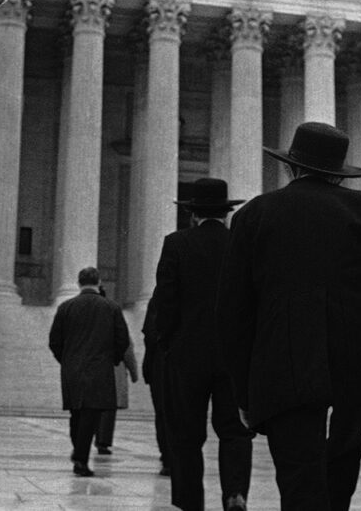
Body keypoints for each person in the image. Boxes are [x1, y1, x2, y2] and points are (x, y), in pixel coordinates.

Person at [217, 122, 361, 511]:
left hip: (283, 362)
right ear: (338, 172)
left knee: (299, 478)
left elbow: (234, 311)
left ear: (290, 167)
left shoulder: (255, 214)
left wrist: (243, 388)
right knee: (342, 463)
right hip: (358, 363)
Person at [154, 177, 253, 511]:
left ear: (192, 213)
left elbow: (164, 304)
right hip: (234, 357)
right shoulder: (240, 244)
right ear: (225, 214)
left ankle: (189, 501)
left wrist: (168, 344)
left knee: (185, 434)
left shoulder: (176, 244)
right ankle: (235, 493)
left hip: (187, 355)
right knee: (235, 431)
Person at [49, 266, 133, 477]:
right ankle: (80, 459)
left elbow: (54, 341)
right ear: (98, 283)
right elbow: (122, 340)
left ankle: (79, 452)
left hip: (72, 369)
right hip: (100, 369)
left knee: (76, 413)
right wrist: (112, 359)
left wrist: (65, 360)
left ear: (78, 283)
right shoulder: (111, 307)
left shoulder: (66, 307)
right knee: (91, 415)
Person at [95, 285, 140, 456]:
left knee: (93, 407)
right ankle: (103, 441)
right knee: (108, 408)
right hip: (112, 368)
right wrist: (134, 371)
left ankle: (94, 440)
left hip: (92, 367)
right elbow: (126, 345)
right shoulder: (113, 314)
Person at [142, 295, 172, 476]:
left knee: (162, 415)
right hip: (182, 365)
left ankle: (168, 458)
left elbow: (150, 335)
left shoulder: (158, 299)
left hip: (161, 365)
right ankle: (174, 457)